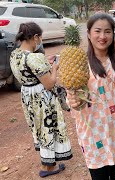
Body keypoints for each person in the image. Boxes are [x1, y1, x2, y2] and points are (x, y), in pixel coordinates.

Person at [66, 13, 115, 180]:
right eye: (98, 31)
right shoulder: (79, 62)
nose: (102, 36)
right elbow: (73, 98)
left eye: (107, 31)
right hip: (95, 134)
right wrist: (73, 100)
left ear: (113, 34)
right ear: (88, 33)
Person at [10, 22, 72, 178]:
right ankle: (48, 167)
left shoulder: (15, 54)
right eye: (40, 38)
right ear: (35, 37)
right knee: (48, 129)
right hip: (41, 98)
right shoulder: (35, 57)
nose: (40, 41)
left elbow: (30, 72)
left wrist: (46, 64)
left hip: (27, 96)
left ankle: (47, 162)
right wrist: (55, 68)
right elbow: (49, 83)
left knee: (38, 129)